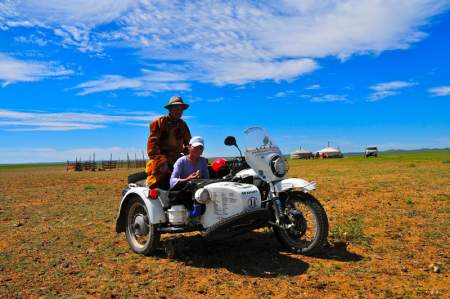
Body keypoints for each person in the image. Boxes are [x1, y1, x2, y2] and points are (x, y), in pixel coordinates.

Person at [146, 96, 191, 189]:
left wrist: (191, 156)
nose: (179, 111)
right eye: (176, 108)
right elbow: (152, 144)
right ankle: (152, 187)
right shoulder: (159, 122)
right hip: (161, 157)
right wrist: (160, 159)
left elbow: (189, 143)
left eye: (181, 109)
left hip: (177, 157)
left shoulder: (183, 125)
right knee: (163, 167)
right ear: (170, 109)